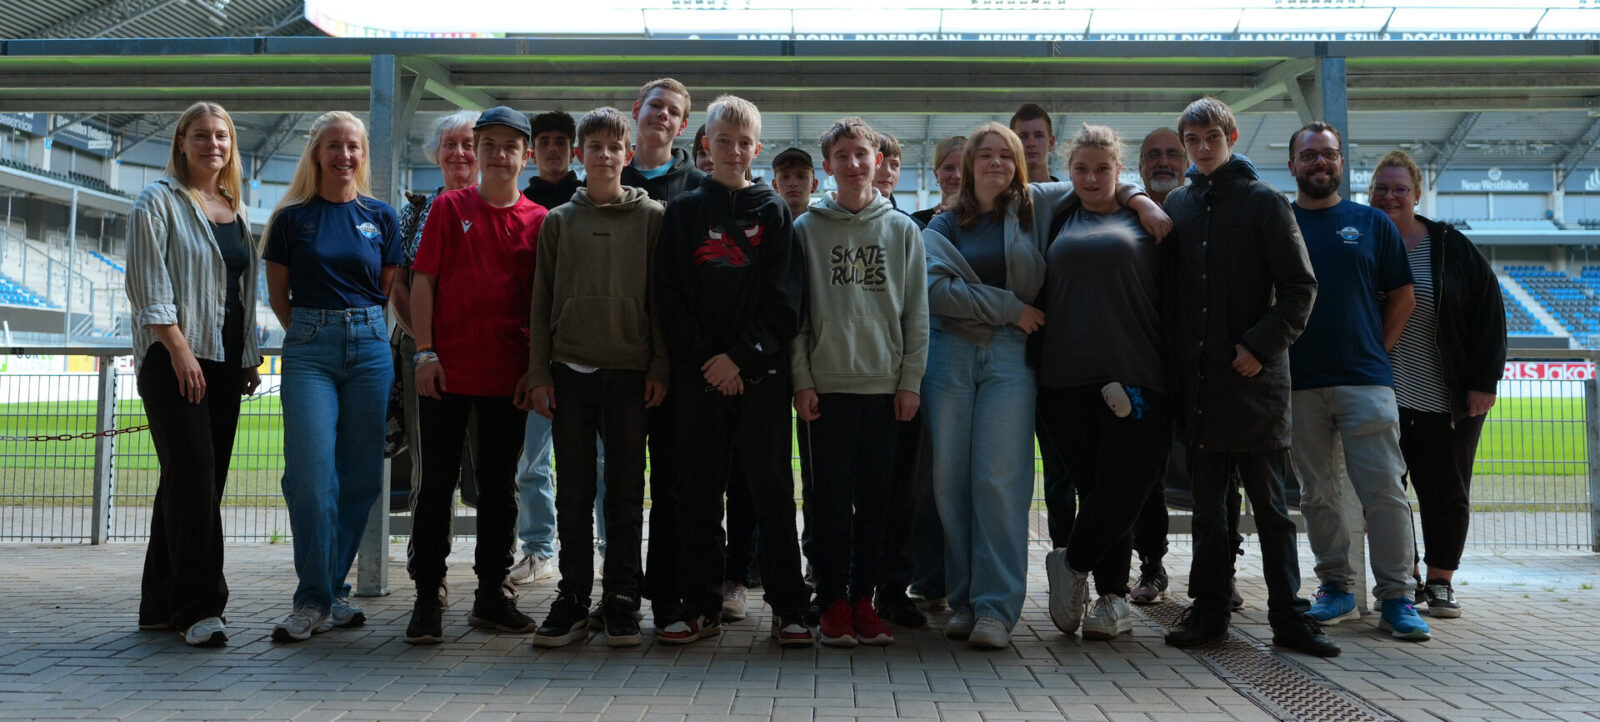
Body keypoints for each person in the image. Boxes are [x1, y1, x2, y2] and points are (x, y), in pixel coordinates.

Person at [922, 122, 1164, 650]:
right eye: (983, 155)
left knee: (1000, 480)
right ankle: (962, 600)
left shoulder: (1035, 203)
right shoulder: (941, 225)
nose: (994, 164)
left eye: (1004, 156)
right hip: (951, 355)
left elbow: (1098, 176)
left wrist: (1142, 200)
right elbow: (936, 290)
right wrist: (1011, 308)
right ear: (968, 167)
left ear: (1019, 164)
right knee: (950, 481)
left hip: (1011, 359)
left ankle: (995, 608)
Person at [1159, 98, 1338, 657]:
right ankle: (1209, 611)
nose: (1202, 146)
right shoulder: (1180, 205)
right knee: (1210, 514)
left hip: (1255, 387)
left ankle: (1289, 616)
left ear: (1231, 136)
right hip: (1203, 391)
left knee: (1272, 514)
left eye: (1211, 135)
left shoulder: (1266, 203)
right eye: (1192, 139)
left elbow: (1300, 289)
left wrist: (1258, 347)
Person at [653, 94, 811, 647]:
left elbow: (785, 300)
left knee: (771, 493)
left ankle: (789, 606)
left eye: (745, 143)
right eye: (724, 141)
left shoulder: (774, 211)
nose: (734, 151)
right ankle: (701, 605)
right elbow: (669, 297)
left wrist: (740, 357)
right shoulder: (683, 212)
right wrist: (711, 361)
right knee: (697, 493)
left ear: (756, 149)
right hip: (700, 380)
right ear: (706, 145)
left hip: (760, 378)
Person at [524, 107, 667, 649]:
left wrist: (659, 366)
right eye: (595, 147)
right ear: (580, 157)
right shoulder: (558, 220)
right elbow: (540, 303)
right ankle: (573, 598)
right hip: (572, 374)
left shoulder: (654, 218)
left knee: (627, 494)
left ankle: (623, 597)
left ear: (627, 156)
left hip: (632, 376)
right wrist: (540, 372)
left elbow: (661, 301)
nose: (604, 156)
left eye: (614, 147)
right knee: (575, 495)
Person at [402, 107, 545, 644]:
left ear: (524, 155)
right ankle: (427, 595)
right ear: (478, 150)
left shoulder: (539, 221)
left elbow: (539, 303)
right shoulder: (447, 208)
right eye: (489, 144)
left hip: (505, 378)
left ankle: (491, 595)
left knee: (500, 492)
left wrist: (533, 370)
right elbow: (423, 283)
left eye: (511, 145)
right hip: (445, 374)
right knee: (435, 488)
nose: (499, 154)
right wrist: (425, 353)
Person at [125, 101, 262, 647]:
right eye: (201, 135)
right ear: (181, 142)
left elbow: (241, 295)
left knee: (192, 486)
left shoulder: (234, 206)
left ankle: (158, 604)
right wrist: (179, 350)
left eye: (222, 136)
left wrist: (247, 354)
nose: (213, 144)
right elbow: (147, 285)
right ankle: (200, 608)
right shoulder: (156, 202)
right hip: (175, 357)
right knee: (195, 480)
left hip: (225, 362)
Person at [1287, 121, 1431, 641]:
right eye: (1309, 156)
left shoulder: (1371, 223)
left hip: (1366, 381)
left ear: (1341, 164)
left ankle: (1398, 596)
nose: (1319, 163)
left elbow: (1403, 296)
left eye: (1328, 155)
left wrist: (1376, 352)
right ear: (1293, 166)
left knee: (1385, 492)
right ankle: (1336, 586)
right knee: (1317, 494)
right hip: (1299, 383)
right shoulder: (1279, 222)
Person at [263, 111, 401, 642]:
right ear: (317, 153)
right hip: (309, 349)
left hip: (369, 346)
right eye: (335, 146)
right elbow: (279, 297)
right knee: (311, 476)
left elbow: (384, 286)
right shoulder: (291, 219)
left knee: (362, 477)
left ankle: (331, 592)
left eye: (354, 147)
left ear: (362, 155)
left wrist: (355, 328)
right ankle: (311, 599)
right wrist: (311, 333)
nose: (345, 155)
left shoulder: (380, 216)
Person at [791, 117, 929, 648]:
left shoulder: (902, 231)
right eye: (842, 155)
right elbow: (798, 316)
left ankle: (864, 599)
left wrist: (909, 380)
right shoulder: (807, 229)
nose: (853, 164)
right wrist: (802, 380)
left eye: (861, 154)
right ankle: (831, 602)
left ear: (877, 161)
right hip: (825, 388)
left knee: (877, 503)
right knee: (826, 501)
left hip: (883, 387)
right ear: (828, 166)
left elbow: (916, 314)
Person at [1035, 124, 1167, 641]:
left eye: (1103, 168)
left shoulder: (1150, 221)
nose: (1092, 178)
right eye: (1082, 169)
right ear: (1069, 173)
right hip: (1064, 378)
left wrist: (1138, 199)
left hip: (1137, 373)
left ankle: (1071, 564)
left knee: (1127, 485)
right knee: (1094, 490)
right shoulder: (1055, 214)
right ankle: (1112, 601)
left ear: (1120, 170)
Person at [1368, 149, 1506, 619]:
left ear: (1417, 194)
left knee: (1445, 490)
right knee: (1386, 494)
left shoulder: (1448, 246)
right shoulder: (1359, 237)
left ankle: (1440, 581)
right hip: (1377, 394)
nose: (1389, 197)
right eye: (1381, 188)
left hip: (1443, 397)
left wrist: (1483, 381)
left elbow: (1489, 313)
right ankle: (1399, 580)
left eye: (1399, 189)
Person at [510, 109, 609, 588]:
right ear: (533, 149)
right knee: (533, 460)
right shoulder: (522, 202)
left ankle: (611, 550)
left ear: (574, 150)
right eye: (543, 140)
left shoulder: (591, 199)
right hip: (537, 351)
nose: (552, 148)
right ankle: (537, 549)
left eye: (560, 141)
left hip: (590, 349)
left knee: (602, 461)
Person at [624, 78, 708, 631]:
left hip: (681, 363)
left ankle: (671, 597)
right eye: (655, 105)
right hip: (622, 357)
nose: (662, 116)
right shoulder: (607, 177)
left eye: (673, 112)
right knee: (623, 487)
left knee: (678, 484)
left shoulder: (698, 188)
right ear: (637, 111)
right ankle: (620, 596)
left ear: (683, 126)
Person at [391, 110, 482, 604]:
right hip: (422, 353)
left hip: (482, 353)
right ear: (436, 152)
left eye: (469, 143)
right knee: (430, 467)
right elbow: (400, 284)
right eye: (450, 144)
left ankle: (496, 570)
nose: (460, 153)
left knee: (493, 468)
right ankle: (430, 570)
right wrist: (424, 343)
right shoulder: (416, 209)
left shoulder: (496, 203)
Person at [1126, 126, 1187, 607]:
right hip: (1143, 367)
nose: (1163, 161)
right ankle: (1151, 565)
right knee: (1144, 474)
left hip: (1200, 368)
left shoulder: (1203, 212)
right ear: (1141, 164)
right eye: (1153, 155)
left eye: (1172, 153)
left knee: (1215, 475)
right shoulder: (1127, 215)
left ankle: (1220, 569)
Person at [910, 135, 964, 227]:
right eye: (949, 168)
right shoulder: (915, 222)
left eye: (964, 168)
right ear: (936, 174)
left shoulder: (987, 222)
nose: (957, 175)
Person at [1010, 103, 1058, 182]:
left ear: (1051, 142)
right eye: (1023, 136)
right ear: (1012, 144)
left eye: (1038, 136)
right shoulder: (1001, 194)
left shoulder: (1068, 193)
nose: (1031, 143)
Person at [771, 147, 818, 220]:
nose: (793, 183)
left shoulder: (825, 225)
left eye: (801, 176)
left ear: (814, 185)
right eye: (785, 177)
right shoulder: (764, 226)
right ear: (775, 185)